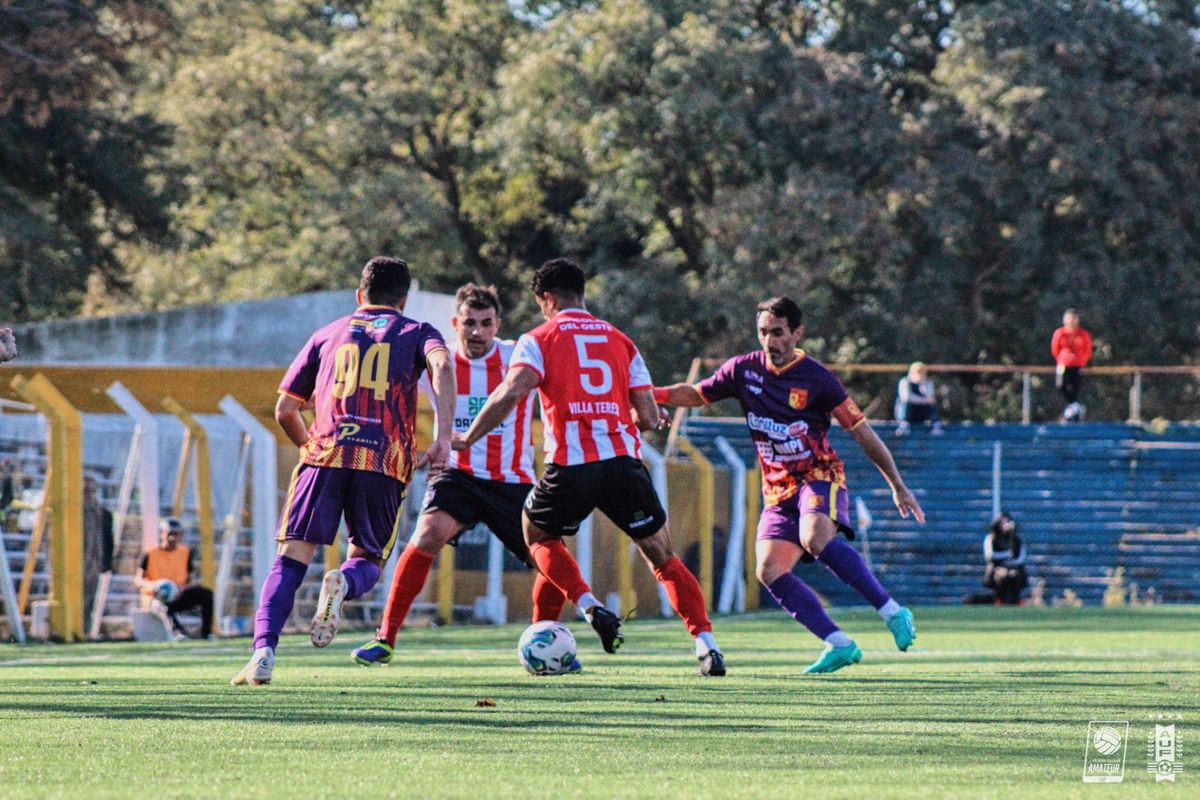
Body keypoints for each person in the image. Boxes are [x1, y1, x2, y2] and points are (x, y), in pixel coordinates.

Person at [455, 258, 725, 676]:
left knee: (538, 535)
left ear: (547, 300)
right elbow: (650, 416)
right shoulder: (621, 340)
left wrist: (468, 437)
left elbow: (511, 392)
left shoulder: (538, 337)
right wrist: (630, 418)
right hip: (623, 464)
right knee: (663, 556)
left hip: (573, 466)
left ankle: (588, 605)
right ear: (581, 293)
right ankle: (706, 645)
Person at [653, 296, 923, 674]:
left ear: (797, 333)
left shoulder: (818, 379)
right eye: (763, 332)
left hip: (819, 477)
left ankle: (892, 611)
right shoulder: (744, 370)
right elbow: (696, 394)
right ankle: (839, 644)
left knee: (815, 537)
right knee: (769, 570)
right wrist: (650, 394)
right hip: (778, 491)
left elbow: (862, 432)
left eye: (777, 333)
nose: (769, 341)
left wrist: (897, 483)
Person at [232, 256, 455, 686]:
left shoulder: (326, 334)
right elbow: (442, 366)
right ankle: (344, 586)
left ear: (359, 295)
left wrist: (311, 449)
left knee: (291, 559)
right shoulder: (416, 332)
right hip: (383, 458)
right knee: (368, 558)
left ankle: (263, 652)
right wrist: (443, 436)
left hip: (326, 454)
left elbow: (285, 409)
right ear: (403, 299)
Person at [351, 284, 569, 668]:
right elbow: (393, 396)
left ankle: (544, 642)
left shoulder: (518, 356)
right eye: (469, 323)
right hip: (458, 476)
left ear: (497, 324)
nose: (477, 332)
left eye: (486, 323)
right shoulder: (440, 361)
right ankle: (385, 639)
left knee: (551, 559)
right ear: (455, 323)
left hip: (512, 480)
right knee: (425, 536)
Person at [135, 517, 213, 639]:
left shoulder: (185, 552)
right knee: (164, 603)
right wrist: (154, 586)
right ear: (162, 534)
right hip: (155, 597)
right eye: (170, 534)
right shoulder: (150, 553)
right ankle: (178, 633)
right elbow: (138, 580)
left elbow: (190, 580)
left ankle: (206, 634)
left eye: (176, 534)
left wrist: (181, 589)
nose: (173, 538)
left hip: (178, 594)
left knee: (206, 594)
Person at [82, 475, 114, 623]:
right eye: (85, 490)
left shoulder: (104, 514)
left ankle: (84, 630)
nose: (88, 493)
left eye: (91, 490)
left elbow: (108, 540)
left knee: (90, 600)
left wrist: (106, 563)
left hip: (95, 563)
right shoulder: (73, 512)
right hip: (75, 564)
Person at [1051, 309, 1092, 422]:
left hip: (1078, 365)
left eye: (1074, 318)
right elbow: (1055, 349)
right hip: (1063, 364)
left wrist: (1082, 362)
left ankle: (1072, 408)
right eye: (1070, 318)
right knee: (1061, 384)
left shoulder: (1083, 334)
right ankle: (1074, 406)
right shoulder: (1060, 333)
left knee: (1075, 387)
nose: (1072, 321)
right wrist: (1062, 359)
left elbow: (1087, 350)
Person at [983, 512, 1028, 605]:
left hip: (1013, 567)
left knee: (1014, 575)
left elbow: (1021, 557)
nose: (1006, 525)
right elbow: (989, 555)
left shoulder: (1017, 539)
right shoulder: (991, 538)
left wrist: (1011, 565)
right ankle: (998, 600)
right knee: (1001, 576)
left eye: (1008, 522)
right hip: (997, 567)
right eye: (1003, 523)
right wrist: (1006, 555)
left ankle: (1016, 600)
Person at [894, 361, 943, 435]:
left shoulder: (927, 383)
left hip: (920, 413)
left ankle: (936, 426)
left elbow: (930, 398)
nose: (920, 375)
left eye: (922, 373)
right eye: (917, 372)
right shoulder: (904, 382)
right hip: (906, 413)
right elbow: (906, 397)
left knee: (931, 404)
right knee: (906, 403)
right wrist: (923, 400)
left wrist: (922, 386)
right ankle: (904, 426)